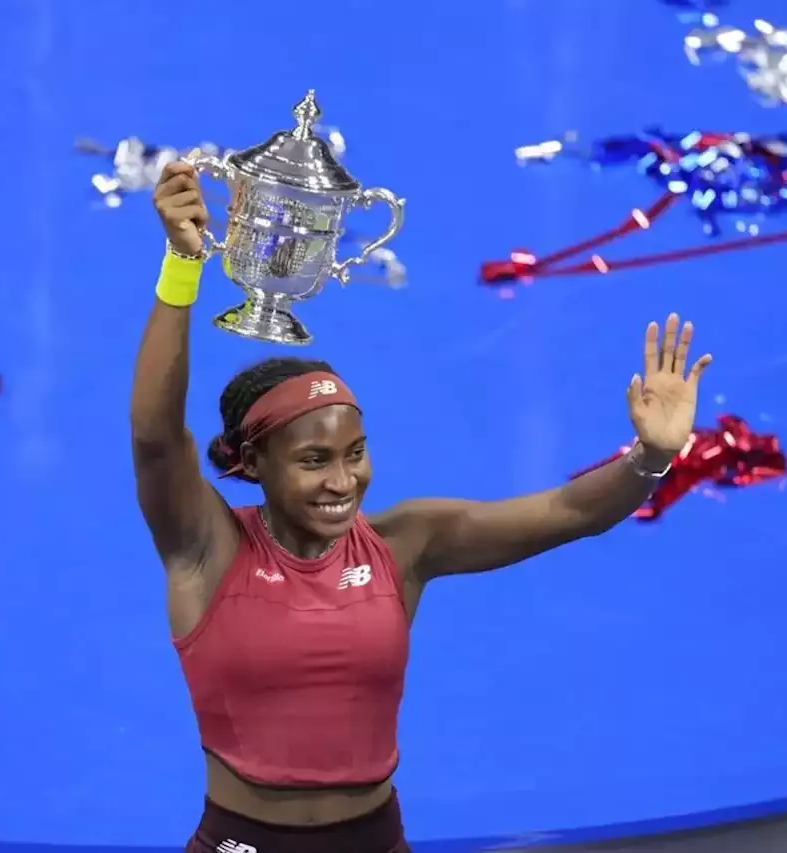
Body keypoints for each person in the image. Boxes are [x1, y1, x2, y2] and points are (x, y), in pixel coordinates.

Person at [131, 162, 714, 853]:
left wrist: (650, 456)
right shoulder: (207, 547)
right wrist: (181, 265)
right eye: (314, 460)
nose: (343, 479)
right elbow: (155, 437)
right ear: (253, 464)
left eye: (355, 452)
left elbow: (569, 511)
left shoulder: (407, 543)